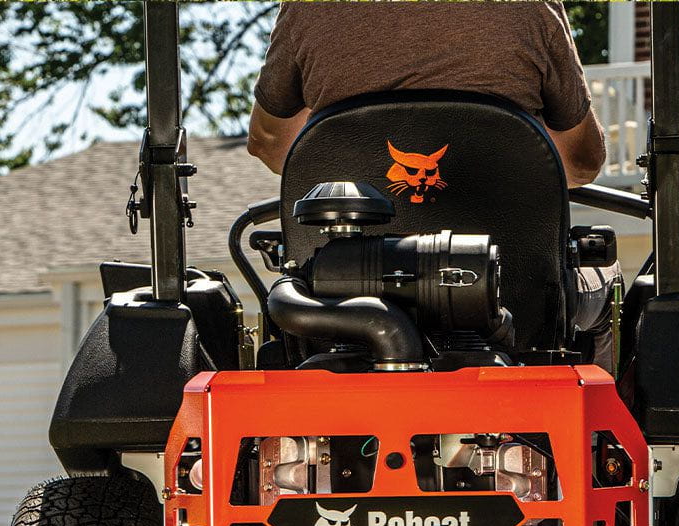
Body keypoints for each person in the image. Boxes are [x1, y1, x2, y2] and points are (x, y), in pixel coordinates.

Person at [247, 1, 618, 363]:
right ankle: (602, 402)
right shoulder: (532, 7)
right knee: (610, 279)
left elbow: (269, 143)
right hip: (519, 308)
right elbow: (582, 162)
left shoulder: (308, 8)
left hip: (337, 305)